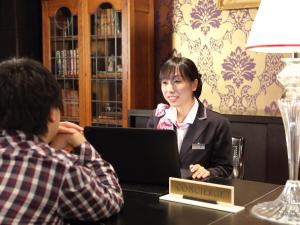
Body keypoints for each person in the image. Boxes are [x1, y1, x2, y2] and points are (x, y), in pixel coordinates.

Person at [0, 58, 124, 224]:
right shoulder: (60, 168)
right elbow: (111, 200)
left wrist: (45, 144)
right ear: (52, 113)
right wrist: (80, 143)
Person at [147, 56, 233, 180]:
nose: (169, 90)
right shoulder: (157, 118)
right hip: (160, 189)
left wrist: (208, 172)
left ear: (194, 84)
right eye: (165, 82)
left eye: (177, 81)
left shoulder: (218, 123)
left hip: (196, 192)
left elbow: (225, 168)